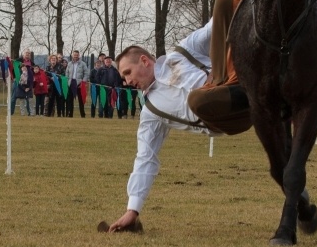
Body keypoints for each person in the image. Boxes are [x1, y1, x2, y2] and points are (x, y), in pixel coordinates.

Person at [107, 21, 217, 232]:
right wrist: (133, 210)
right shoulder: (151, 112)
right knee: (200, 101)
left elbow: (213, 27)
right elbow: (145, 157)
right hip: (221, 120)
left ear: (144, 61)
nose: (127, 81)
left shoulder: (184, 52)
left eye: (127, 73)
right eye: (123, 78)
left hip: (242, 84)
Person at [65, 50, 87, 118]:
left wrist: (83, 82)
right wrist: (68, 81)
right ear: (72, 55)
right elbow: (67, 73)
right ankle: (70, 114)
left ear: (79, 55)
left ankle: (82, 115)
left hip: (79, 83)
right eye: (74, 55)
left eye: (77, 55)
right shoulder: (69, 64)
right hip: (71, 83)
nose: (75, 56)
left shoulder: (83, 64)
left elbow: (86, 74)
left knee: (81, 100)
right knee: (70, 100)